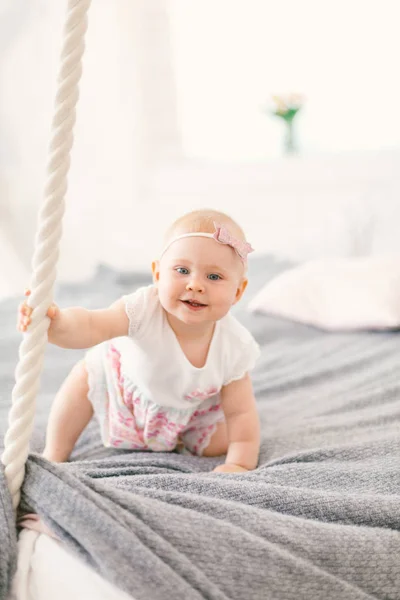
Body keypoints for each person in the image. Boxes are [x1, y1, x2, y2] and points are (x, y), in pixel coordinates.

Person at [18, 209, 260, 473]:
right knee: (84, 376)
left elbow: (241, 413)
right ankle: (55, 452)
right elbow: (92, 324)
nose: (195, 285)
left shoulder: (235, 347)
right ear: (157, 274)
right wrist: (58, 324)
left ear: (238, 291)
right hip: (124, 391)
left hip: (188, 410)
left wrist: (239, 462)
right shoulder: (143, 309)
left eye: (214, 277)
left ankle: (174, 437)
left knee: (226, 440)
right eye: (182, 270)